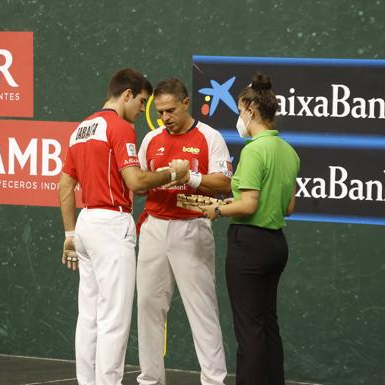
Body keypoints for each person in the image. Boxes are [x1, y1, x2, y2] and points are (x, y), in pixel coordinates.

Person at [58, 68, 190, 385]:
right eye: (141, 102)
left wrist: (69, 234)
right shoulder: (119, 128)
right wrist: (174, 174)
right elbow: (135, 180)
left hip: (86, 224)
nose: (141, 111)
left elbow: (64, 186)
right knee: (114, 318)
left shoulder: (81, 129)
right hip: (111, 224)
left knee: (88, 315)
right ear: (127, 94)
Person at [201, 73, 299, 385]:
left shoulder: (254, 150)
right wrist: (237, 200)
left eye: (239, 110)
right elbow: (288, 207)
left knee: (249, 329)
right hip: (275, 246)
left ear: (251, 110)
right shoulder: (288, 151)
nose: (238, 118)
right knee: (267, 324)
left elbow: (248, 205)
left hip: (250, 247)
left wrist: (216, 208)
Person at [135, 77, 232, 385]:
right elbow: (138, 182)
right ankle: (150, 379)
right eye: (161, 112)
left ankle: (213, 381)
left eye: (171, 110)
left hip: (192, 229)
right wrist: (161, 176)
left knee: (202, 309)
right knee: (148, 306)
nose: (165, 118)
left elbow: (225, 183)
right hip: (154, 227)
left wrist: (188, 176)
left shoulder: (210, 137)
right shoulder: (151, 139)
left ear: (186, 103)